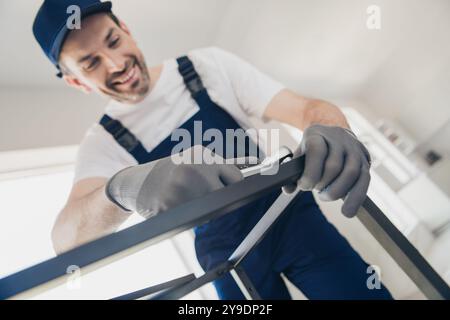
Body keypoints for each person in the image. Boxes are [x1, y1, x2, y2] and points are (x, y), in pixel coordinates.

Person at [32, 0, 392, 299]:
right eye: (91, 63)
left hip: (290, 218)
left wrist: (332, 127)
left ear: (126, 29)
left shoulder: (206, 66)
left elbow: (306, 109)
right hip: (227, 259)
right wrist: (122, 189)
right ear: (78, 81)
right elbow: (65, 241)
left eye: (112, 40)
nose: (116, 64)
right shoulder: (104, 142)